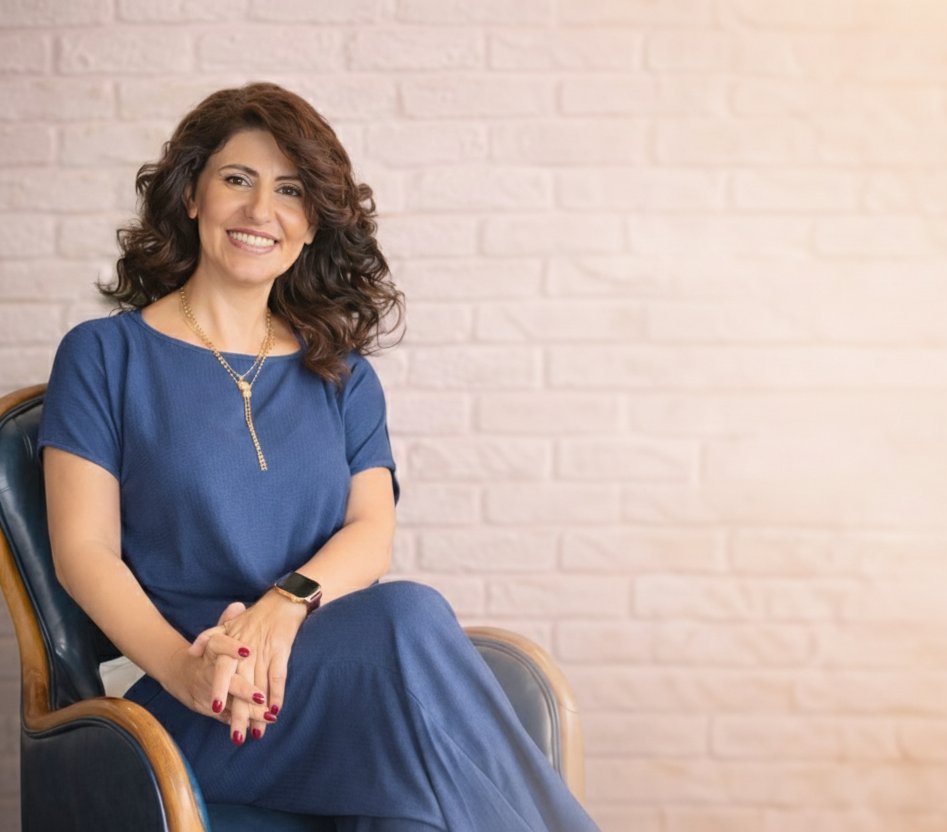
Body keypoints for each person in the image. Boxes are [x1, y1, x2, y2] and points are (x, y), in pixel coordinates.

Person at [37, 82, 600, 832]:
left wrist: (284, 604)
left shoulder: (343, 374)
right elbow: (84, 554)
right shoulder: (105, 356)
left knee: (412, 808)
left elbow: (371, 530)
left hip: (324, 678)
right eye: (237, 179)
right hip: (200, 701)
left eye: (290, 190)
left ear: (310, 226)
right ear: (193, 196)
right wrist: (186, 670)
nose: (259, 209)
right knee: (409, 617)